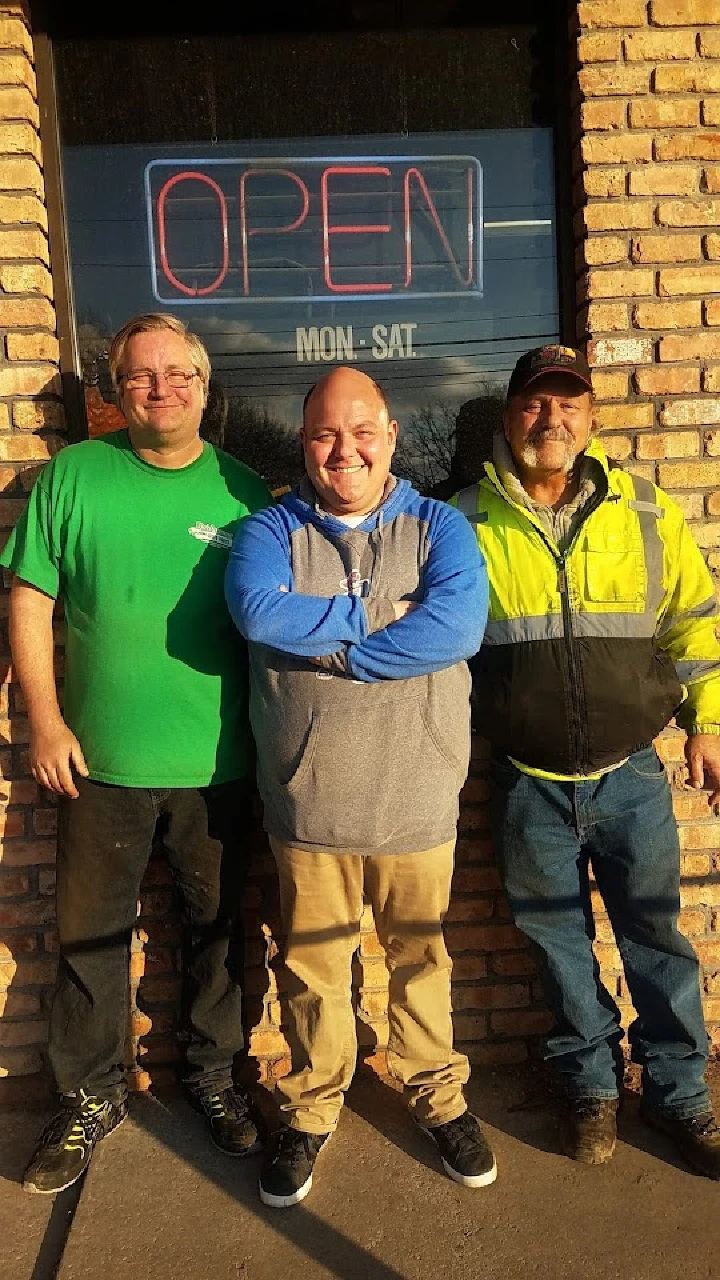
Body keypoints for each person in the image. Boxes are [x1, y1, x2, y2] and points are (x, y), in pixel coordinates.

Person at [2, 313, 271, 1194]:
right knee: (88, 939)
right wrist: (43, 721)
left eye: (176, 373)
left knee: (219, 937)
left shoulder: (247, 493)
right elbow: (30, 601)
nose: (160, 388)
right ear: (115, 391)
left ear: (204, 381)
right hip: (98, 763)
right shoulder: (72, 478)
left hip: (223, 765)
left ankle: (215, 1078)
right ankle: (90, 1095)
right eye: (139, 376)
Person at [225, 366, 493, 1208]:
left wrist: (333, 648)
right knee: (313, 970)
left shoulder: (439, 526)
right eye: (324, 434)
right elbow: (261, 617)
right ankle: (309, 1110)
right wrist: (385, 627)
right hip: (308, 803)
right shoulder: (267, 529)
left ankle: (437, 1096)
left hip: (418, 799)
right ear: (305, 443)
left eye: (362, 431)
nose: (345, 450)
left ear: (391, 437)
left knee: (420, 959)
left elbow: (455, 629)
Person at [453, 343, 720, 1177]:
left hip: (632, 774)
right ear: (510, 417)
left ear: (593, 417)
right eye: (536, 403)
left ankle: (681, 1096)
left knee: (657, 939)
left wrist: (706, 724)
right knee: (557, 947)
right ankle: (593, 1090)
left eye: (569, 403)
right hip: (528, 781)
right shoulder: (460, 521)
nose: (552, 418)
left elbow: (694, 624)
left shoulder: (645, 512)